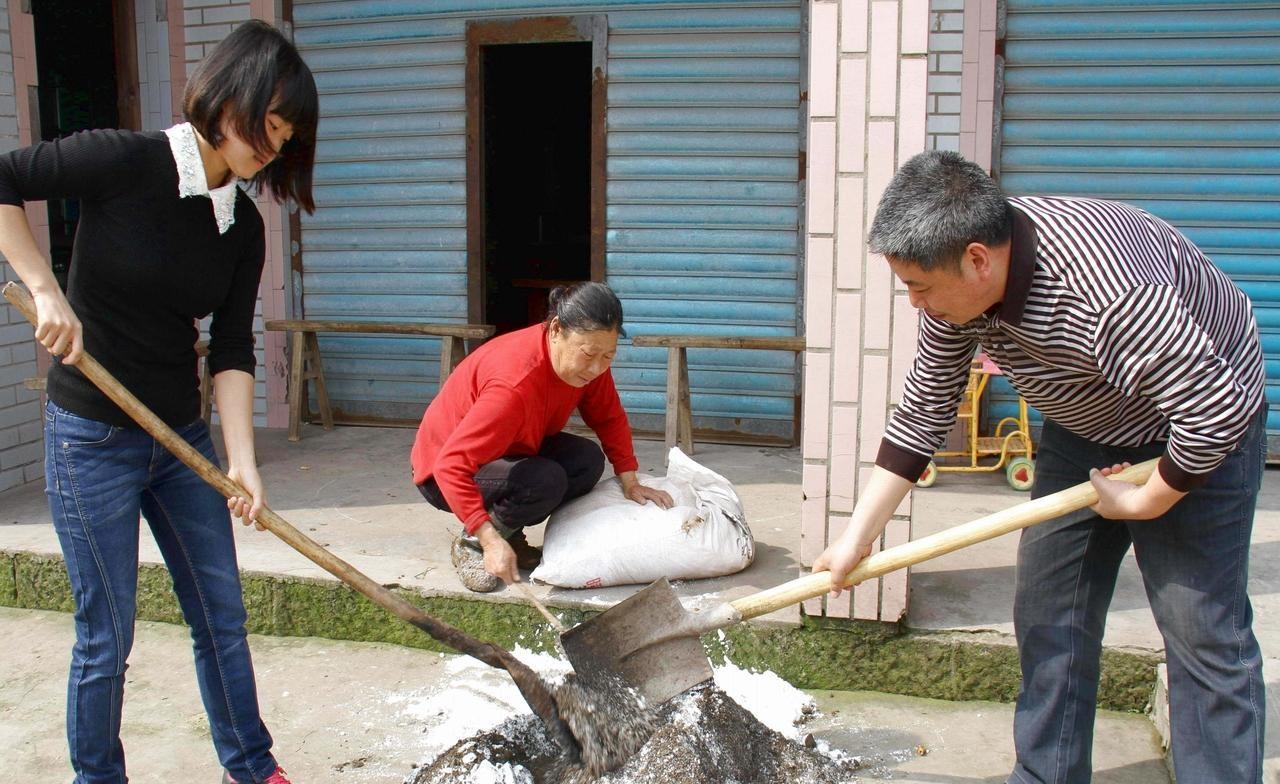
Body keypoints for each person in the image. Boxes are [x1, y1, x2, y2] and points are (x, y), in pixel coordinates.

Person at [813, 151, 1266, 784]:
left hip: (1197, 425)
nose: (913, 302)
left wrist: (1147, 500)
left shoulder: (1108, 292)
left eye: (919, 286)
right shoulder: (956, 297)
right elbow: (925, 411)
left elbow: (1215, 412)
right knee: (1051, 611)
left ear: (977, 259)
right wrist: (856, 539)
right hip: (1087, 424)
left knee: (1202, 630)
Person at [1, 20, 317, 784]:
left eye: (286, 138)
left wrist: (242, 462)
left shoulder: (242, 226)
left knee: (221, 615)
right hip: (90, 437)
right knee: (107, 634)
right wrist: (44, 288)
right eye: (270, 126)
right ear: (230, 98)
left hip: (180, 442)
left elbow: (233, 349)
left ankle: (252, 768)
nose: (273, 148)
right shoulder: (125, 161)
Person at [411, 281, 674, 592]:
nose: (596, 368)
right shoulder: (513, 384)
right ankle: (473, 543)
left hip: (507, 448)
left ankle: (509, 531)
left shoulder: (592, 366)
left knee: (586, 461)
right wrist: (488, 538)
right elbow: (450, 466)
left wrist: (631, 481)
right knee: (544, 480)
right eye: (588, 354)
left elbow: (609, 417)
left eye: (608, 356)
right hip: (442, 473)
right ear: (556, 330)